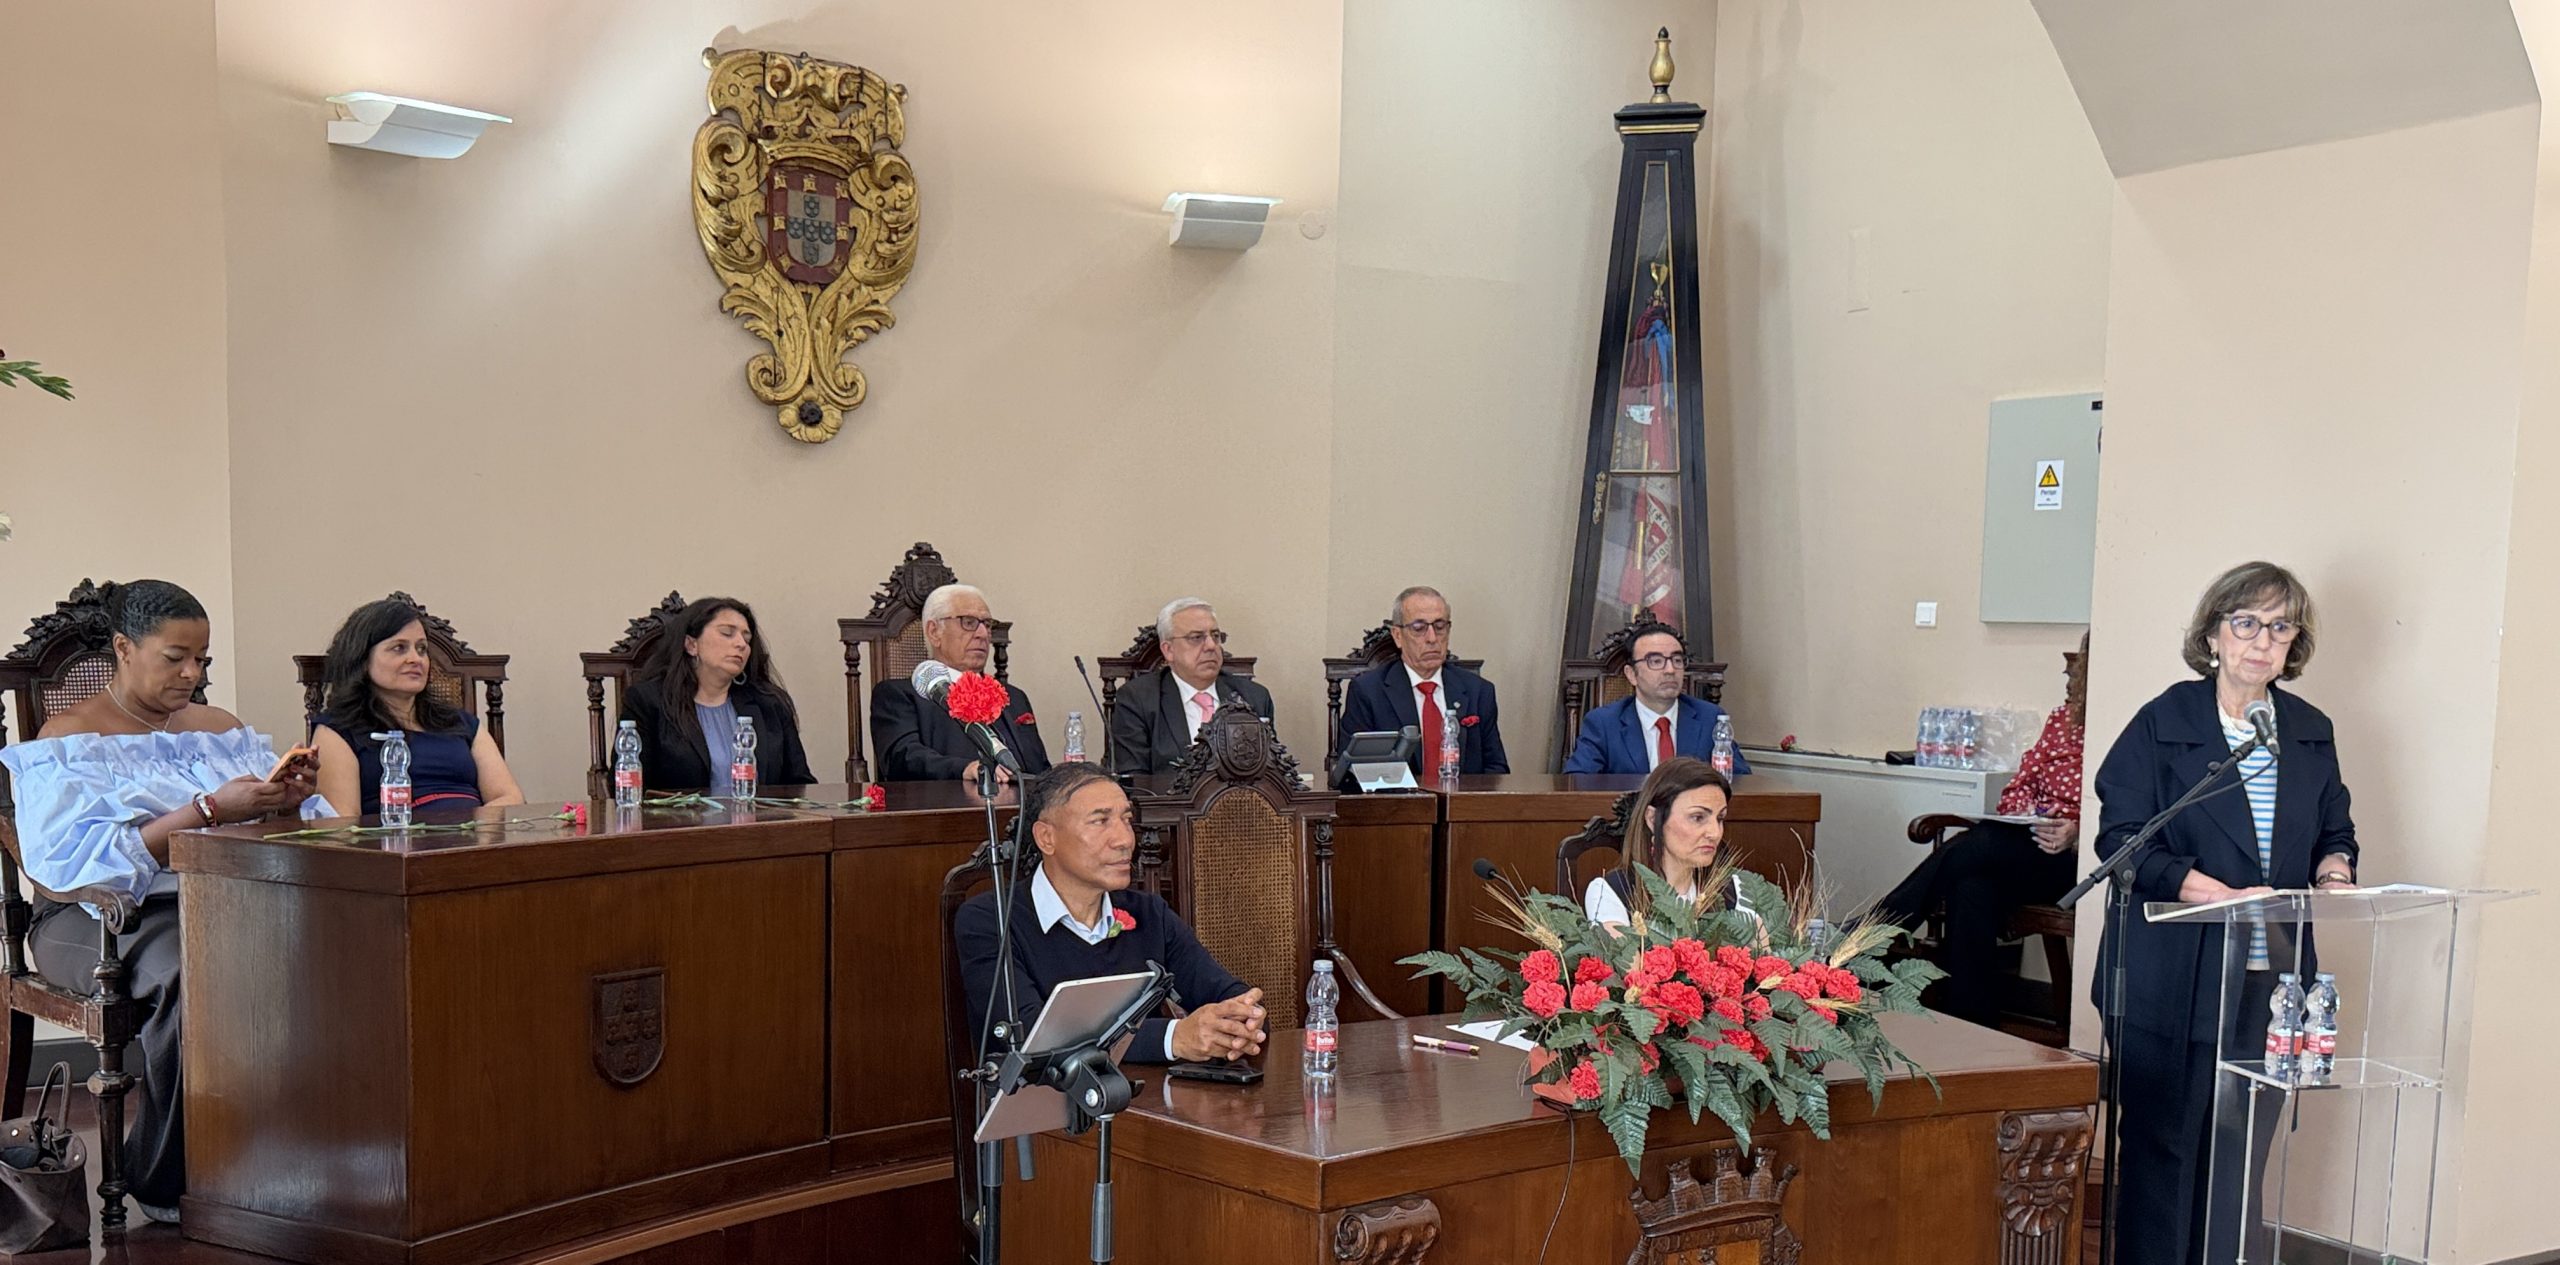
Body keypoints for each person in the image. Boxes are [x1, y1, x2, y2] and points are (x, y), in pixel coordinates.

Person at [0, 580, 323, 1221]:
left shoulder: (221, 730)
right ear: (124, 648)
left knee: (322, 947)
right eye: (175, 657)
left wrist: (285, 804)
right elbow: (70, 866)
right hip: (93, 915)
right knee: (193, 968)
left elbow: (287, 831)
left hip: (219, 898)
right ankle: (165, 1178)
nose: (192, 673)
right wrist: (206, 810)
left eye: (202, 659)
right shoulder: (70, 737)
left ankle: (288, 1151)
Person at [2092, 562, 2359, 1265]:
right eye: (2246, 623)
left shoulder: (2309, 730)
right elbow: (2124, 841)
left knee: (2240, 1156)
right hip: (2172, 979)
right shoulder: (2164, 723)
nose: (2262, 641)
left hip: (2269, 981)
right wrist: (2214, 894)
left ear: (2295, 642)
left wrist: (2335, 871)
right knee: (2164, 1153)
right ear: (2213, 633)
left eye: (2279, 626)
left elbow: (2334, 829)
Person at [956, 763, 1267, 1063]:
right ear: (1046, 838)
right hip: (1045, 1098)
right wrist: (1173, 1038)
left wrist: (1243, 1019)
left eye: (1126, 820)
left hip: (1153, 1095)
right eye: (1100, 821)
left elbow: (1223, 991)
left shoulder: (1148, 913)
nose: (1125, 840)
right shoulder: (990, 921)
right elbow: (1032, 1038)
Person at [1871, 631, 2090, 1026]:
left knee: (1977, 845)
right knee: (1972, 884)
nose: (2074, 678)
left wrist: (2077, 830)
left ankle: (1873, 934)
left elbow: (2123, 808)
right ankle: (1970, 1021)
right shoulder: (2062, 719)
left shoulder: (2121, 727)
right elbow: (2019, 785)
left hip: (2075, 860)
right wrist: (2027, 810)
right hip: (2027, 842)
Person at [311, 598, 524, 817]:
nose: (416, 659)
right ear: (363, 660)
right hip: (397, 836)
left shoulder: (461, 722)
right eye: (399, 648)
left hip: (474, 834)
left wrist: (473, 831)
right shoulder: (337, 730)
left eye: (422, 649)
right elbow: (344, 825)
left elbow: (510, 798)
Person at [619, 597, 815, 792]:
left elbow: (800, 784)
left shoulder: (770, 703)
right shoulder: (647, 701)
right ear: (691, 645)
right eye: (727, 633)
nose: (741, 644)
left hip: (759, 813)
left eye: (747, 639)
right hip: (679, 814)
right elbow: (627, 788)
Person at [870, 583, 1051, 782]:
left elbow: (1042, 769)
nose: (983, 634)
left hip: (1026, 799)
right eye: (969, 622)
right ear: (934, 632)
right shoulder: (898, 695)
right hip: (950, 799)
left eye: (987, 624)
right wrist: (965, 769)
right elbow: (902, 760)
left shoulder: (1014, 697)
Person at [1337, 586, 1509, 777]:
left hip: (1463, 796)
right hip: (1397, 796)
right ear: (1397, 635)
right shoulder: (1368, 691)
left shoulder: (1479, 691)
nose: (1432, 638)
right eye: (1419, 628)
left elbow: (1496, 771)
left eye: (1440, 627)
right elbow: (1353, 772)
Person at [1108, 597, 1277, 774]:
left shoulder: (1254, 697)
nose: (1211, 646)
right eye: (1196, 638)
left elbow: (1271, 771)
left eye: (1216, 636)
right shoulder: (1137, 699)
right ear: (1169, 650)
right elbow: (1134, 778)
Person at [1564, 623, 1750, 776]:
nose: (1670, 670)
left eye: (1677, 660)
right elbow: (1578, 782)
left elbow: (1740, 780)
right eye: (1655, 661)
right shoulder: (1604, 723)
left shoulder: (1709, 718)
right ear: (1631, 674)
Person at [1583, 758, 1733, 926]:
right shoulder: (1610, 892)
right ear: (1653, 819)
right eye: (1697, 817)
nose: (1715, 833)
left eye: (1720, 818)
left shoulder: (1735, 891)